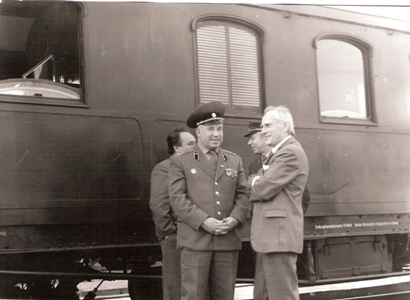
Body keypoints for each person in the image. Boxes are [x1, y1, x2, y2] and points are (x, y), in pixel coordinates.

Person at [169, 101, 249, 300]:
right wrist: (204, 221)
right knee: (194, 296)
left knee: (224, 296)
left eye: (219, 129)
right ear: (198, 132)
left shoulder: (234, 160)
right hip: (196, 242)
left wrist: (235, 219)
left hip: (226, 241)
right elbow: (177, 198)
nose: (216, 134)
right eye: (211, 129)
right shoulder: (182, 161)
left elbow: (243, 195)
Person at [249, 106, 309, 300]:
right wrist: (258, 179)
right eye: (262, 125)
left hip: (278, 238)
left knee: (281, 296)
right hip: (272, 238)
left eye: (267, 125)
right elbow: (261, 182)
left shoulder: (289, 152)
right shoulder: (280, 153)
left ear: (284, 126)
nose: (263, 130)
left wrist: (255, 179)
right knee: (266, 295)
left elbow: (261, 188)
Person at [149, 128, 196, 300]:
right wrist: (169, 233)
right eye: (191, 143)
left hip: (191, 235)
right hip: (174, 237)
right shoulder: (163, 169)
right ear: (177, 148)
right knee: (175, 285)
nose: (196, 147)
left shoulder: (192, 166)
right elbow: (159, 204)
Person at [244, 121, 272, 300]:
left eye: (252, 137)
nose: (249, 143)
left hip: (277, 230)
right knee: (261, 284)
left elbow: (303, 198)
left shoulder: (283, 158)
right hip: (261, 231)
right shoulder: (254, 165)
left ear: (264, 136)